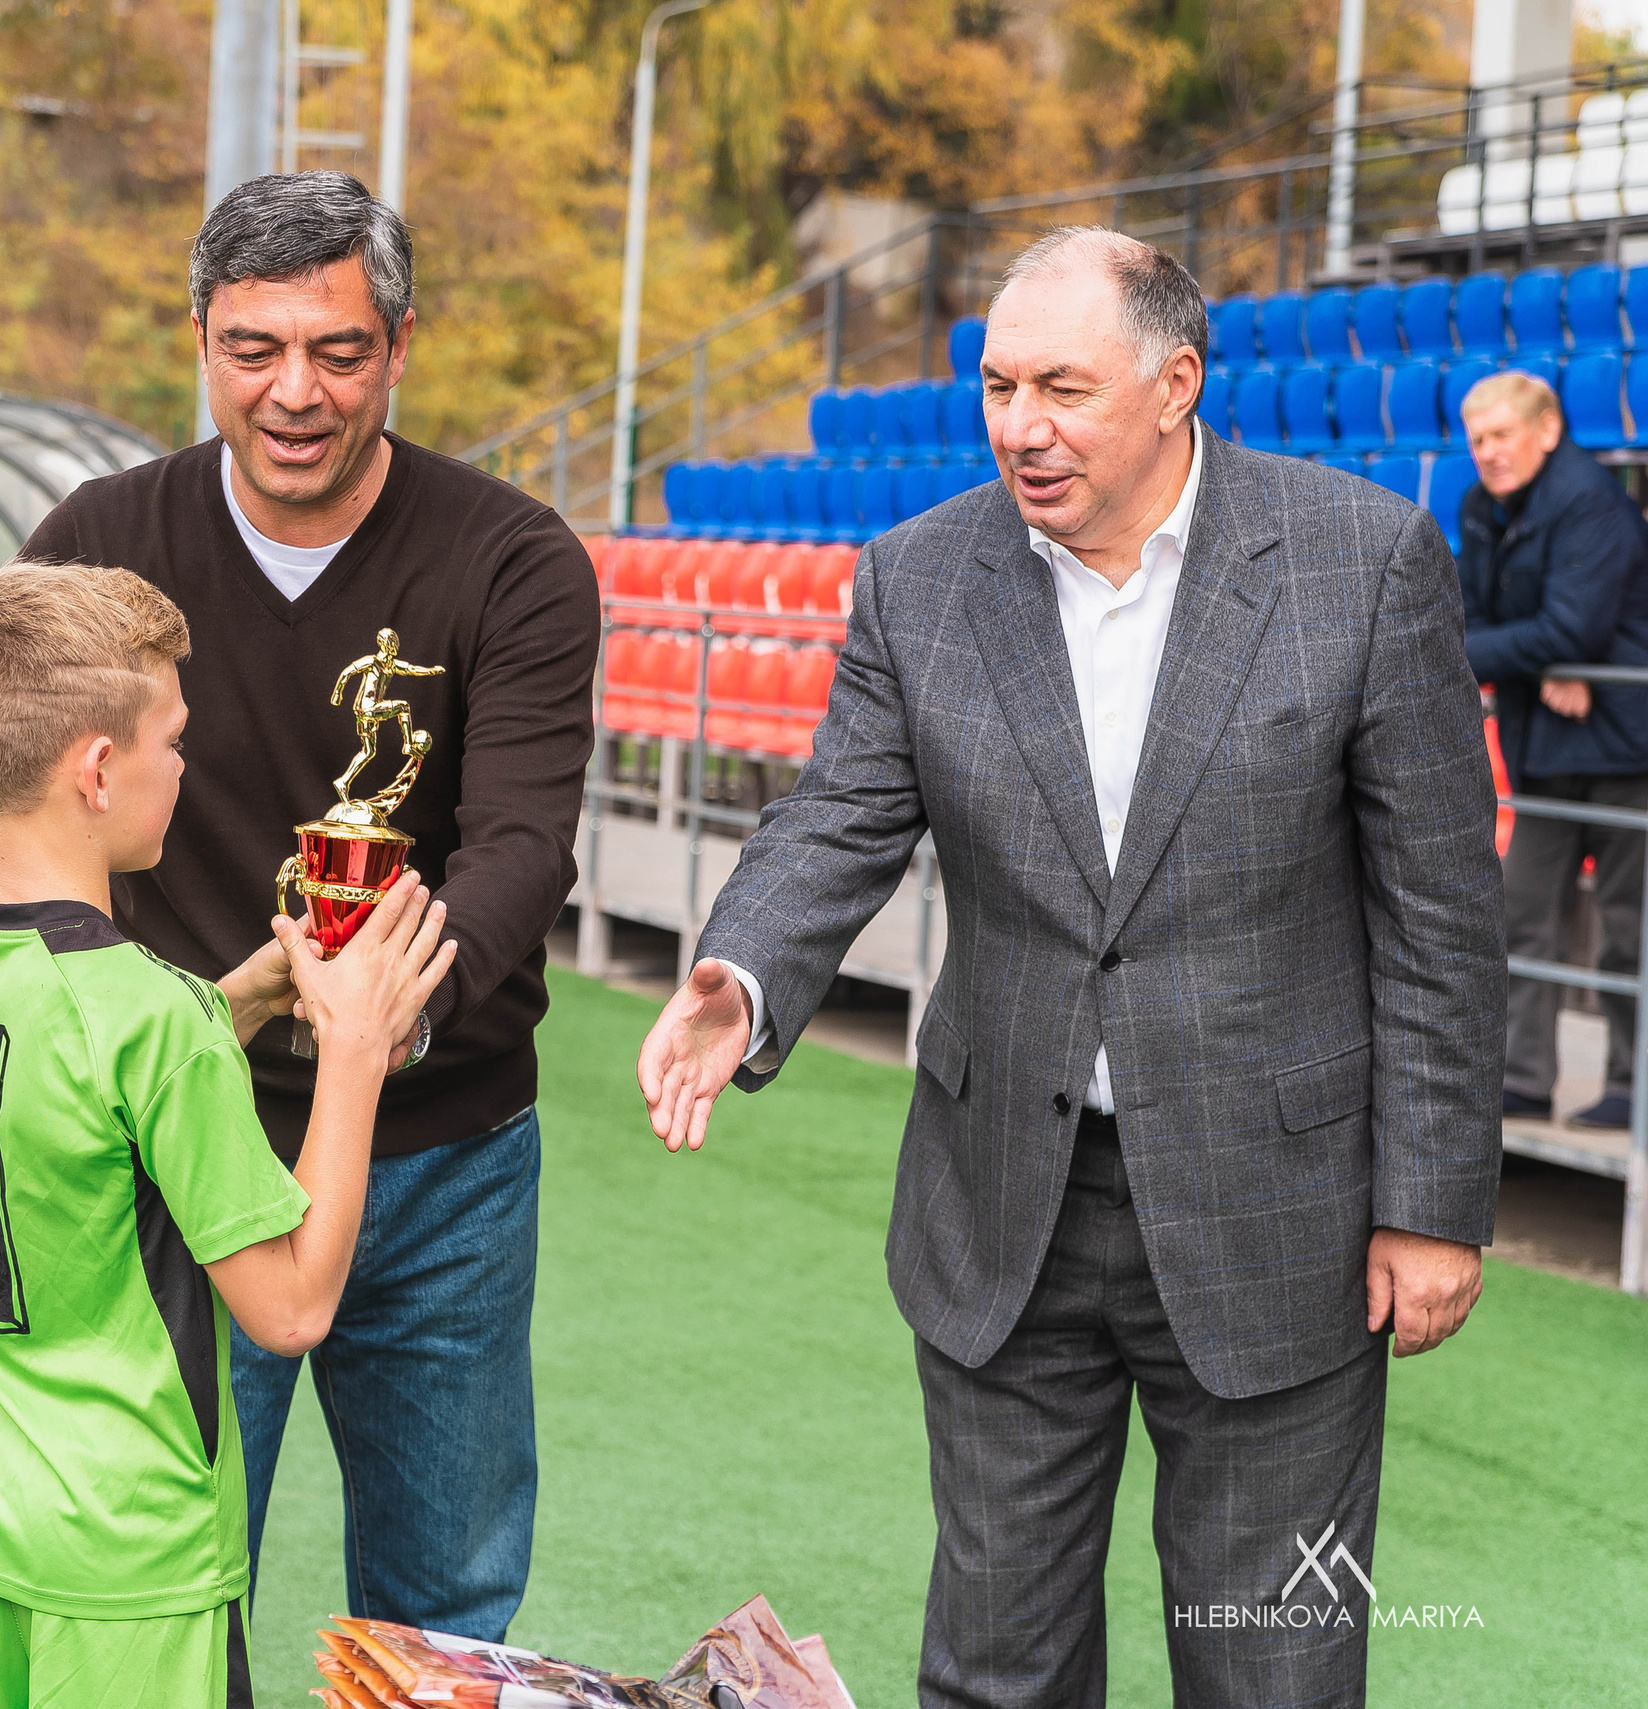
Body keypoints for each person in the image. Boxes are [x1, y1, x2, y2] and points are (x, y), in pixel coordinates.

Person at [636, 229, 1505, 1709]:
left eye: (1061, 387)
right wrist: (742, 971)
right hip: (1001, 1213)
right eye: (997, 387)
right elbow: (838, 814)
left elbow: (1440, 911)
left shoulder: (1362, 563)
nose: (1020, 425)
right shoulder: (921, 576)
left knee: (1276, 1675)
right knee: (995, 1675)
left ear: (1176, 384)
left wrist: (1429, 1202)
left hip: (1279, 1216)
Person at [0, 172, 598, 1640]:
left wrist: (381, 1021)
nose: (294, 391)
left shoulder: (513, 555)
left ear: (400, 344)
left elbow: (522, 846)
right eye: (253, 348)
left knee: (446, 1604)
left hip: (445, 1149)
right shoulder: (104, 533)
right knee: (175, 1575)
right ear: (201, 340)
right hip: (180, 1135)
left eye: (337, 351)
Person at [0, 563, 454, 1707]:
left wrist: (238, 995)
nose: (183, 765)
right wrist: (352, 1048)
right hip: (126, 1544)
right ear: (98, 769)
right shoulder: (152, 1018)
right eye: (172, 739)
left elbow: (72, 1092)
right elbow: (292, 1307)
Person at [1455, 369, 1648, 1131]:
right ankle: (1523, 1078)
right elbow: (1462, 622)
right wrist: (1545, 664)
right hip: (1545, 743)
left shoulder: (1590, 500)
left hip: (1626, 747)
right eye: (1477, 439)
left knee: (1630, 928)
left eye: (1502, 434)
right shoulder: (1480, 507)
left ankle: (1632, 1088)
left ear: (1548, 428)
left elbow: (1573, 628)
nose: (1488, 451)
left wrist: (1547, 655)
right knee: (1520, 913)